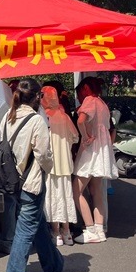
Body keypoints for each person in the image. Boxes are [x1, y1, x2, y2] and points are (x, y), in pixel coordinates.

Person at [1, 79, 64, 272]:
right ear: (37, 97)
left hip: (13, 181)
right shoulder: (36, 120)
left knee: (37, 224)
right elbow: (44, 154)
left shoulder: (7, 117)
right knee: (26, 230)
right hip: (32, 182)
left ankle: (53, 265)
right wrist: (49, 167)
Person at [72, 76, 119, 244]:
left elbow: (81, 120)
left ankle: (90, 228)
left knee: (76, 190)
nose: (79, 97)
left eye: (79, 92)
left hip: (91, 151)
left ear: (85, 88)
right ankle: (99, 230)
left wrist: (85, 136)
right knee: (97, 191)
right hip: (102, 152)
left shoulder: (90, 101)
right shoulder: (102, 103)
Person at [41, 85, 79, 246]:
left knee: (52, 197)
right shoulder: (64, 116)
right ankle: (67, 232)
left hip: (50, 163)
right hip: (65, 162)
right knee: (65, 195)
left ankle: (56, 233)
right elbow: (75, 136)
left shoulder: (44, 117)